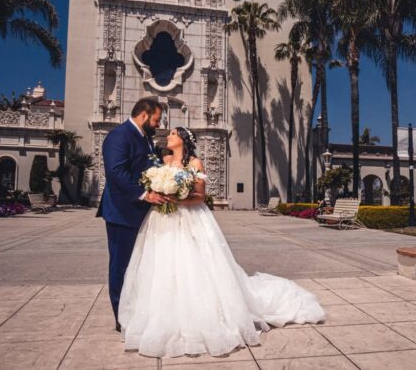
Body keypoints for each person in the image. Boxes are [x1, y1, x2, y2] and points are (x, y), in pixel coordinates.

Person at [118, 126, 325, 357]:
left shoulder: (195, 164)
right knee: (162, 267)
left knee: (193, 265)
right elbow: (149, 182)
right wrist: (158, 191)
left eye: (173, 134)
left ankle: (201, 317)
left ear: (184, 140)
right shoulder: (162, 161)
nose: (169, 137)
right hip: (162, 221)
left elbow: (199, 196)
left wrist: (176, 198)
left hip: (189, 220)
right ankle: (159, 317)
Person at [97, 97, 171, 331]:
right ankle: (121, 319)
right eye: (157, 119)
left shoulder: (146, 139)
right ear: (144, 115)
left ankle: (137, 312)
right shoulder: (119, 136)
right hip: (122, 213)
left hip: (141, 215)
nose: (158, 124)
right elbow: (116, 172)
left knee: (139, 266)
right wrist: (144, 194)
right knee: (121, 266)